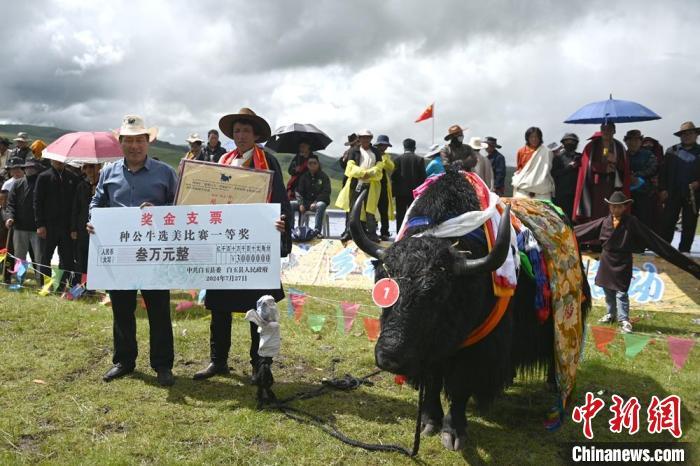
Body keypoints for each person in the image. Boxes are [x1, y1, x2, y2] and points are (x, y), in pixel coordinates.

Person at [195, 108, 291, 381]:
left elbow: (281, 202)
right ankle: (218, 361)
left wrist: (281, 225)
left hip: (255, 246)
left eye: (246, 131)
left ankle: (258, 364)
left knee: (259, 305)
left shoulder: (268, 162)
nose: (241, 136)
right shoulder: (222, 161)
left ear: (256, 134)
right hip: (225, 245)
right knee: (220, 306)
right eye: (237, 131)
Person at [89, 115, 178, 386]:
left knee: (159, 309)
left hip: (155, 253)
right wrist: (93, 219)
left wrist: (158, 213)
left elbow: (180, 208)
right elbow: (97, 201)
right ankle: (124, 361)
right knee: (122, 308)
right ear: (121, 143)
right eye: (129, 140)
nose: (134, 146)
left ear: (148, 142)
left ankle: (162, 365)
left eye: (140, 140)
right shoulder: (109, 172)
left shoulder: (165, 173)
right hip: (120, 253)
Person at [575, 192, 700, 333]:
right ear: (609, 207)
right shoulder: (604, 221)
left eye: (619, 207)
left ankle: (624, 319)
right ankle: (611, 314)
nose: (615, 210)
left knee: (621, 293)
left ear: (624, 207)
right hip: (606, 261)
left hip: (622, 262)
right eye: (613, 207)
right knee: (607, 290)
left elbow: (651, 239)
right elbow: (583, 230)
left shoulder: (631, 222)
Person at [573, 122, 630, 224]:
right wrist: (603, 168)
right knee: (596, 212)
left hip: (614, 185)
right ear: (601, 130)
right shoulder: (592, 146)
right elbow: (587, 165)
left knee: (613, 211)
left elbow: (625, 167)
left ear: (614, 131)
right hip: (595, 185)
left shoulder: (619, 146)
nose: (606, 132)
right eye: (604, 129)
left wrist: (615, 161)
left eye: (609, 129)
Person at [34, 157, 78, 290]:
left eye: (62, 160)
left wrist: (73, 227)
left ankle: (63, 286)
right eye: (57, 159)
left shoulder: (72, 177)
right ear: (52, 160)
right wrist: (39, 224)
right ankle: (45, 286)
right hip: (48, 226)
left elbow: (75, 204)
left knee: (67, 259)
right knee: (45, 257)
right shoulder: (43, 177)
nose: (60, 162)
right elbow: (37, 201)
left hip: (66, 227)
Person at [659, 121, 700, 253]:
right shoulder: (671, 151)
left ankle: (684, 252)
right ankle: (665, 251)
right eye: (684, 134)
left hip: (692, 195)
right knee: (667, 223)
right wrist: (663, 189)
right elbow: (663, 173)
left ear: (696, 135)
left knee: (689, 224)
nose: (687, 136)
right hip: (672, 193)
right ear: (680, 136)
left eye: (690, 133)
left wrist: (698, 183)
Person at [335, 129, 383, 243]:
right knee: (353, 208)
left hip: (371, 184)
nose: (365, 139)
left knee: (370, 210)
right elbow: (350, 168)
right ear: (359, 139)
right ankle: (349, 232)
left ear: (371, 139)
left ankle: (372, 233)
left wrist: (370, 173)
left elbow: (379, 167)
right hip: (356, 184)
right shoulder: (354, 151)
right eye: (362, 137)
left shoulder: (376, 152)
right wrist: (363, 173)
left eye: (367, 137)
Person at [4, 158, 44, 284]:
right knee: (20, 257)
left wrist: (43, 224)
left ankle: (41, 282)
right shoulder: (17, 183)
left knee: (39, 258)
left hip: (37, 228)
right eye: (27, 167)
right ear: (24, 169)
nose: (29, 169)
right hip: (19, 227)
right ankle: (19, 281)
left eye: (32, 167)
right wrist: (10, 217)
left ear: (37, 169)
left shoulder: (42, 183)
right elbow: (10, 204)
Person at [624, 129, 657, 231]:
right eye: (630, 140)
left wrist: (637, 176)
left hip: (644, 193)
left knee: (644, 221)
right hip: (626, 194)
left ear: (640, 141)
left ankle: (643, 244)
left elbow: (653, 168)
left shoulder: (648, 154)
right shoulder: (622, 155)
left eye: (636, 140)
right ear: (626, 141)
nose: (633, 143)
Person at [71, 163, 101, 275]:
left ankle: (93, 286)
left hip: (99, 227)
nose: (88, 169)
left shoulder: (103, 185)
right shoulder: (81, 185)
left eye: (91, 166)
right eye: (86, 167)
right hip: (82, 227)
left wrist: (96, 192)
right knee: (81, 257)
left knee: (95, 257)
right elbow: (75, 208)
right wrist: (73, 228)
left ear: (98, 167)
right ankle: (81, 285)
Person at [291, 154, 331, 236]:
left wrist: (316, 202)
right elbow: (298, 191)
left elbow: (326, 192)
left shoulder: (324, 177)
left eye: (314, 163)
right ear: (307, 165)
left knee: (321, 205)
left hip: (318, 203)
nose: (312, 165)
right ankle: (290, 229)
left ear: (318, 164)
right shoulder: (304, 176)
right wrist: (301, 203)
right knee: (290, 204)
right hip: (305, 202)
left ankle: (317, 231)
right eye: (310, 163)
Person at [391, 138, 426, 231]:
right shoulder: (419, 159)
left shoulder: (397, 160)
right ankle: (412, 233)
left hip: (400, 193)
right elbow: (423, 178)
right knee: (414, 215)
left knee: (400, 215)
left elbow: (393, 177)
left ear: (404, 147)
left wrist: (394, 192)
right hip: (414, 193)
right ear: (414, 148)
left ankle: (399, 233)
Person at [511, 127, 554, 200]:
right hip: (524, 188)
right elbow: (520, 169)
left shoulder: (547, 152)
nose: (534, 139)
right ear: (527, 138)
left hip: (542, 190)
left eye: (536, 136)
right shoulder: (521, 151)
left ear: (540, 138)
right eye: (531, 137)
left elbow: (549, 169)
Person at [551, 133, 582, 219]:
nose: (570, 143)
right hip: (560, 194)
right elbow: (554, 174)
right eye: (568, 141)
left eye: (573, 142)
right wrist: (569, 168)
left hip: (576, 194)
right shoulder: (558, 158)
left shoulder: (580, 157)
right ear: (563, 143)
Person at [374, 134, 395, 240]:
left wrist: (384, 158)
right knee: (371, 210)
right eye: (383, 145)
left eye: (386, 145)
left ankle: (384, 232)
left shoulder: (386, 157)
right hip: (373, 186)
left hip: (383, 187)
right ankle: (372, 231)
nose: (385, 147)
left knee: (383, 210)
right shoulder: (372, 154)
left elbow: (391, 167)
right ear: (379, 145)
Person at [0, 189, 13, 283]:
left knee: (8, 259)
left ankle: (7, 277)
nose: (4, 201)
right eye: (1, 199)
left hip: (8, 241)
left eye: (6, 199)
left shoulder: (11, 212)